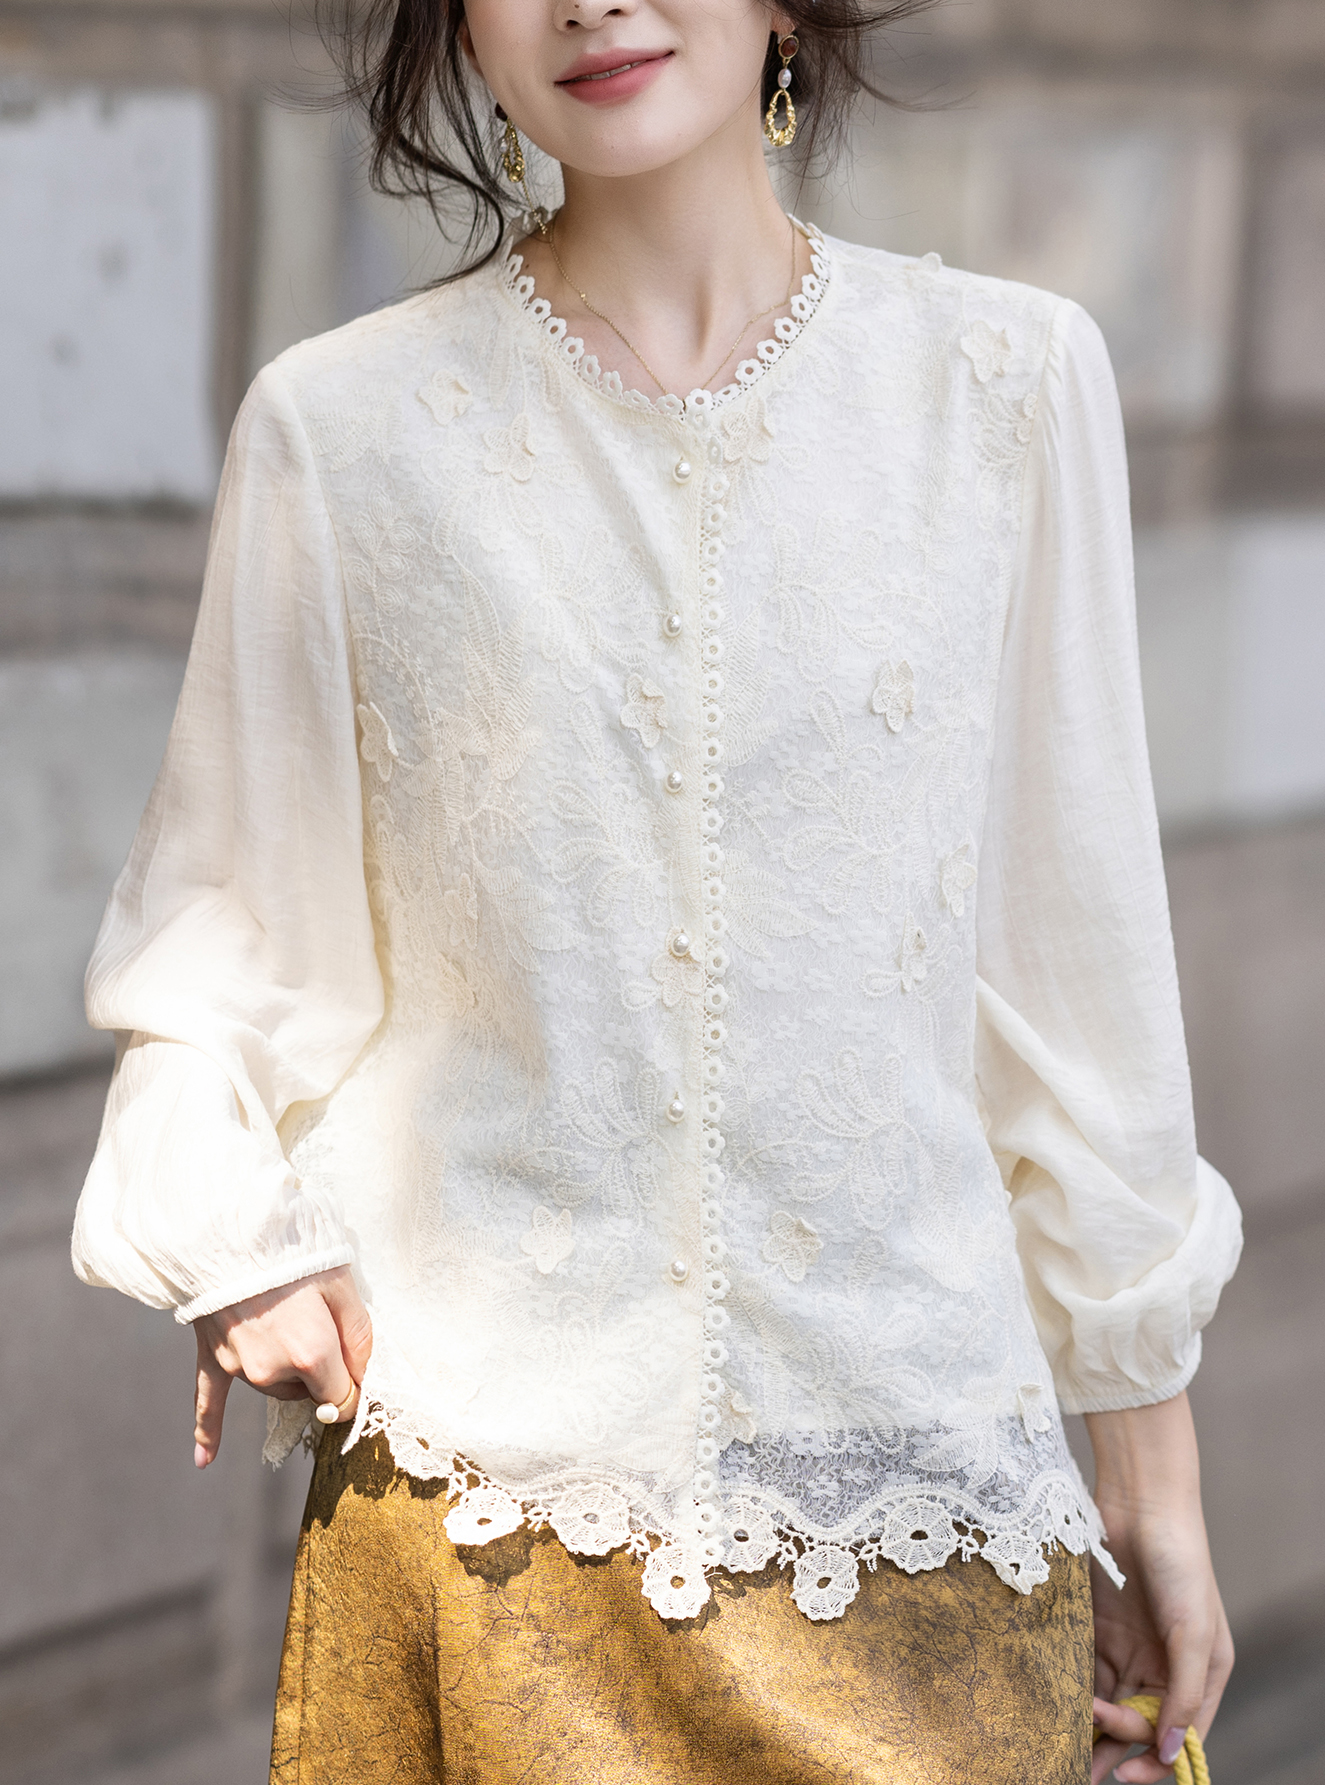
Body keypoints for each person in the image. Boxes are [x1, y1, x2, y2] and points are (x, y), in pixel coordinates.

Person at [72, 0, 1244, 1779]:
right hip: (478, 1539)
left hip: (924, 1556)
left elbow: (1081, 983)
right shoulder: (342, 430)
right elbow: (216, 955)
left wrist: (1153, 1477)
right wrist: (234, 1235)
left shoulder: (1005, 386)